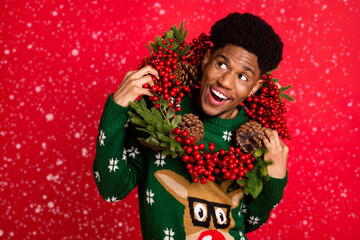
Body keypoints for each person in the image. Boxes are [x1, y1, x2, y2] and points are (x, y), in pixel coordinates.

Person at [93, 12, 289, 240]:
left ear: (255, 88)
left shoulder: (253, 139)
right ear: (206, 59)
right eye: (222, 64)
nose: (225, 82)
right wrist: (116, 109)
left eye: (243, 77)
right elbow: (112, 189)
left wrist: (276, 179)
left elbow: (248, 220)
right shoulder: (161, 112)